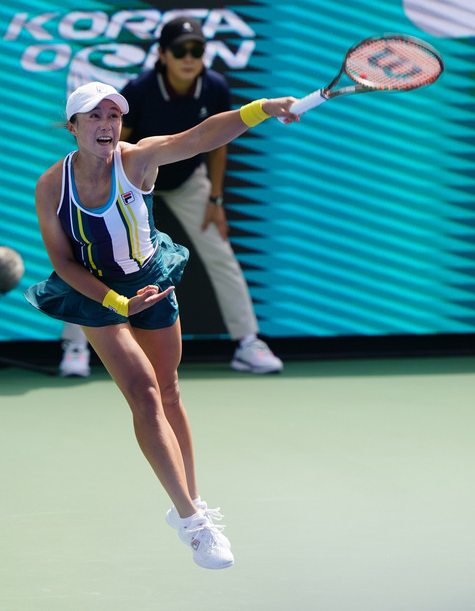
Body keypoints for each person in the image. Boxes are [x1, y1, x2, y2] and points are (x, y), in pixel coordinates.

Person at [25, 81, 298, 569]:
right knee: (144, 392)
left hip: (151, 278)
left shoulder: (138, 160)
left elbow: (200, 136)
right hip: (98, 292)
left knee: (169, 389)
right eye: (94, 116)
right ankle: (194, 522)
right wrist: (114, 302)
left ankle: (193, 504)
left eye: (114, 116)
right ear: (73, 127)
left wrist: (261, 109)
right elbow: (64, 263)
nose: (107, 125)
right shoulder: (52, 186)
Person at [119, 16, 284, 374]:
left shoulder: (214, 86)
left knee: (220, 253)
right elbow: (120, 145)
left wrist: (216, 198)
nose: (189, 57)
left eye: (197, 50)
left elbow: (216, 145)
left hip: (187, 180)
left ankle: (248, 342)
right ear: (162, 55)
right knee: (104, 258)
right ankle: (75, 346)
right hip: (135, 180)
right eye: (180, 50)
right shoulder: (139, 89)